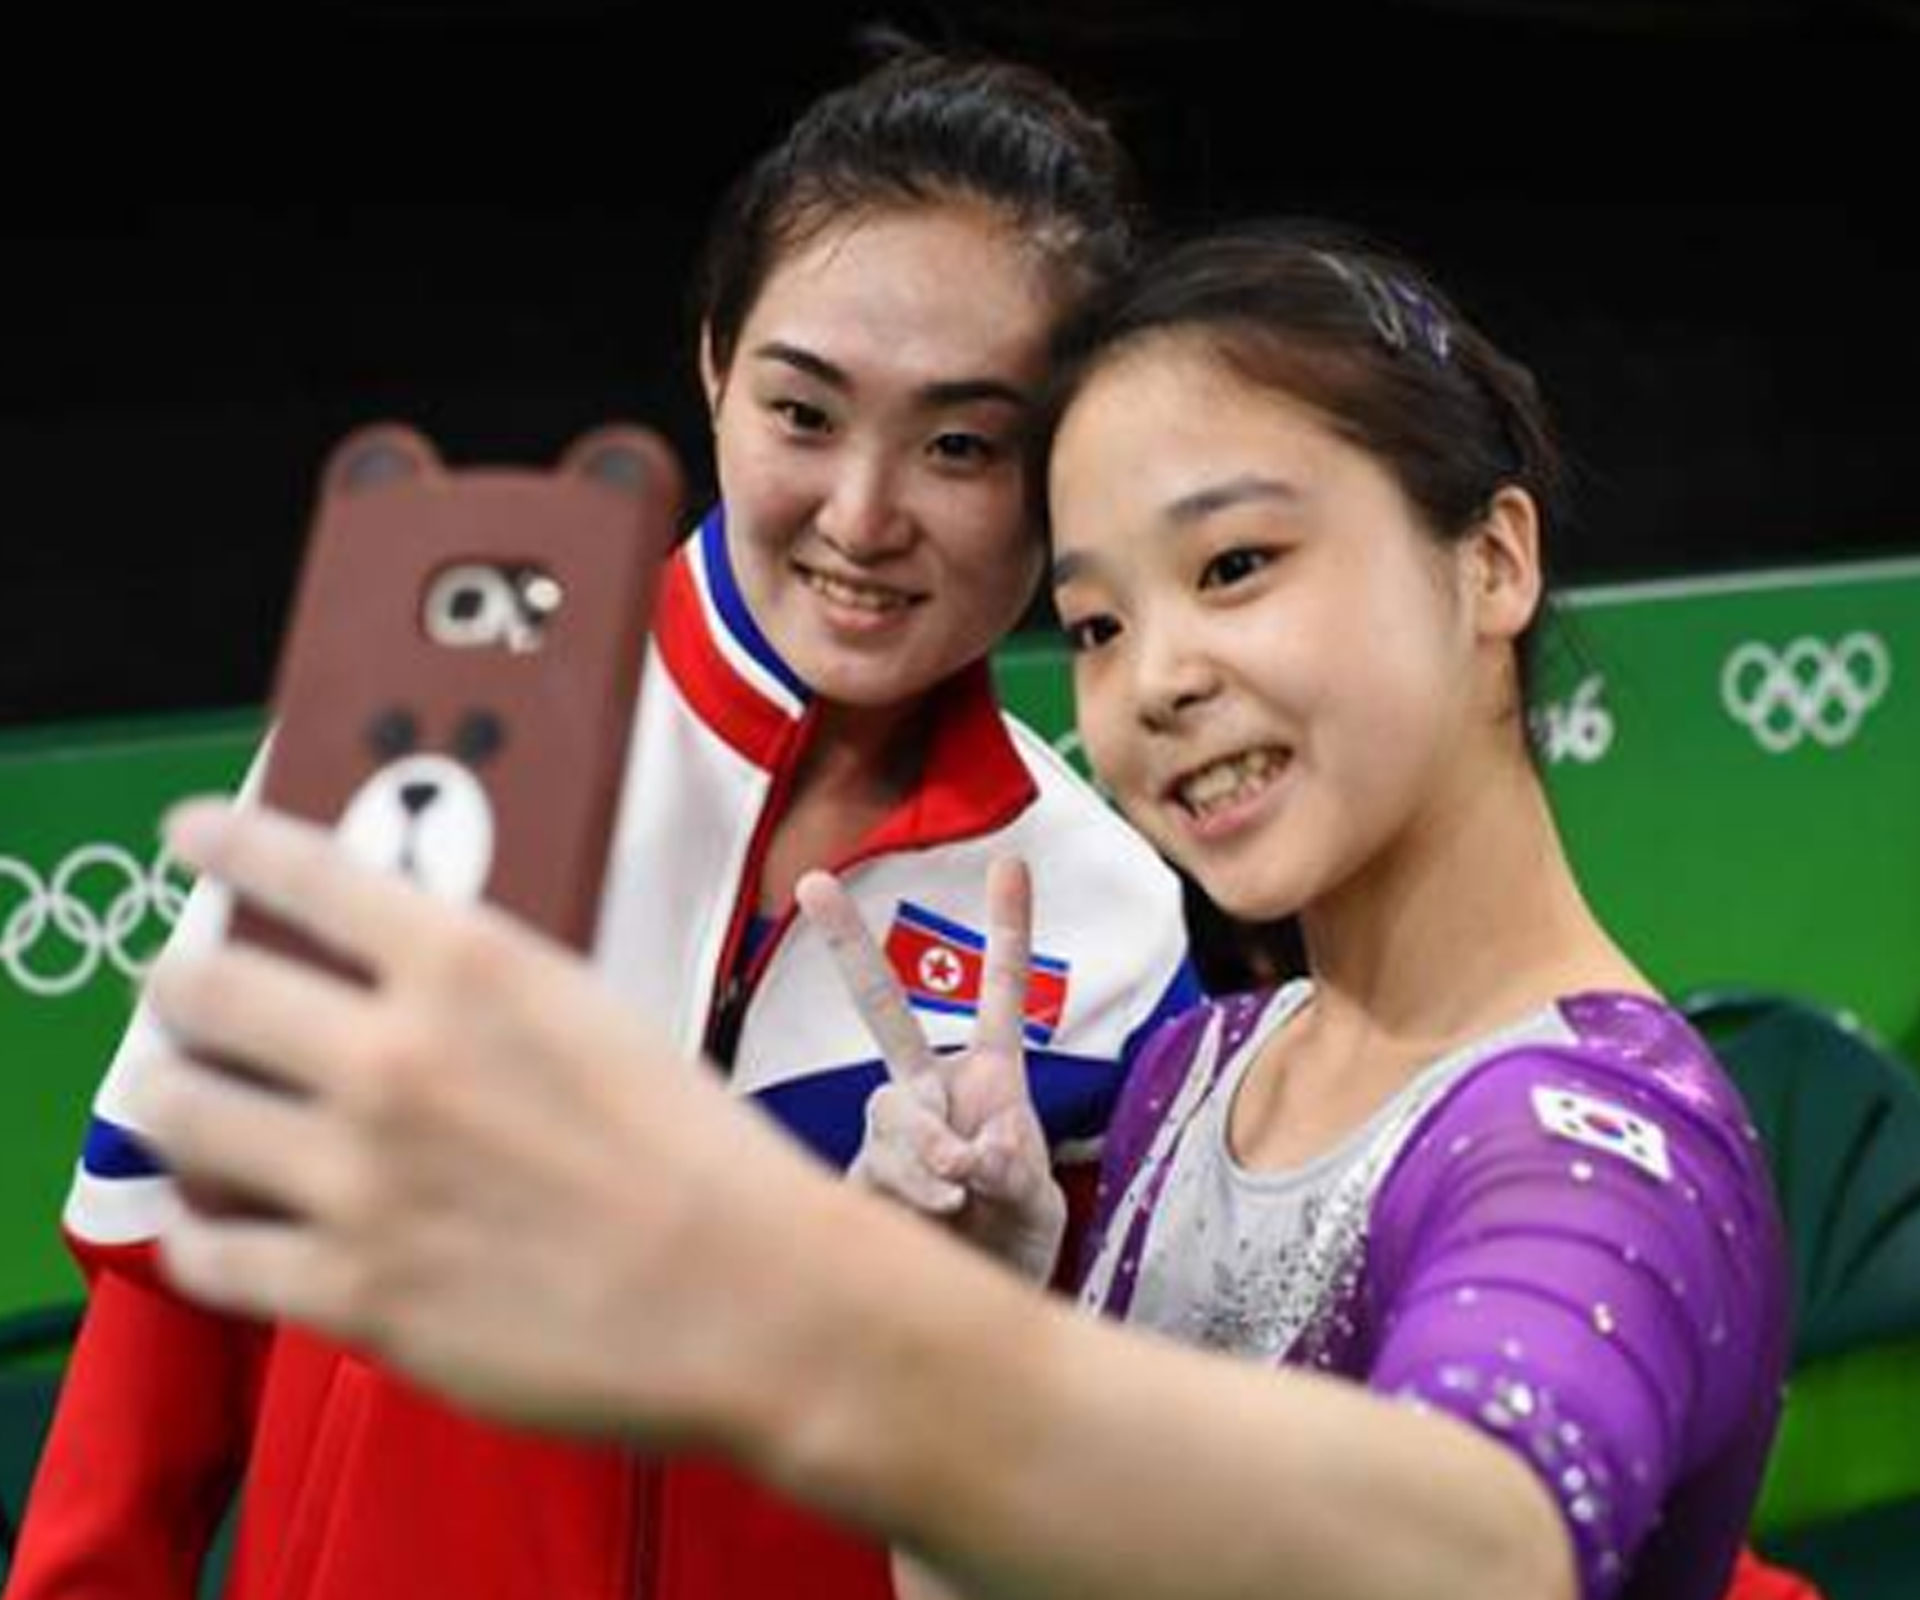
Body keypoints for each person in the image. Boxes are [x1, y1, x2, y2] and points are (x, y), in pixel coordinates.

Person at [123, 219, 1792, 1600]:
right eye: (1097, 624)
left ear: (1492, 561)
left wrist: (842, 1338)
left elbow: (1484, 1538)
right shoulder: (1198, 1074)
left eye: (1235, 568)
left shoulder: (1589, 1142)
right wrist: (981, 1293)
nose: (1163, 682)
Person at [9, 40, 1196, 1600]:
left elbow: (1084, 1505)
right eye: (803, 412)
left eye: (962, 445)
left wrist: (994, 1304)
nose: (861, 515)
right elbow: (180, 1258)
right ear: (714, 366)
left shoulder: (1105, 912)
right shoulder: (436, 710)